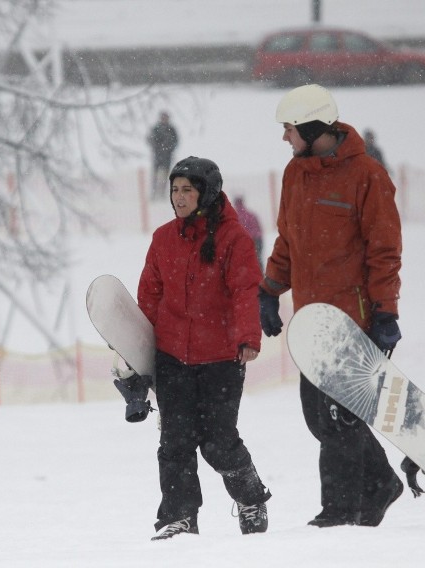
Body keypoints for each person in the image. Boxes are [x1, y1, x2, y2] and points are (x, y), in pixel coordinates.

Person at [258, 84, 404, 528]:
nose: (285, 138)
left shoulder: (367, 176)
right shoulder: (294, 173)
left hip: (352, 320)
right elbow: (289, 240)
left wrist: (386, 312)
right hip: (310, 322)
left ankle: (339, 510)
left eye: (288, 129)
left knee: (339, 418)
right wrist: (270, 289)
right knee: (319, 418)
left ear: (310, 127)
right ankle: (380, 482)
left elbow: (385, 251)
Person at [138, 156, 272, 540]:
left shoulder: (233, 238)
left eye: (188, 190)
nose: (179, 198)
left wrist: (248, 335)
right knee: (175, 442)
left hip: (221, 358)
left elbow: (246, 289)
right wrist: (135, 356)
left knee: (217, 440)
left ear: (206, 192)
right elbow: (149, 295)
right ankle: (179, 517)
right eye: (175, 190)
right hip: (172, 357)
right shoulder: (163, 238)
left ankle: (250, 498)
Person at [146, 111, 179, 200]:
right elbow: (150, 139)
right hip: (157, 156)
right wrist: (157, 147)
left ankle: (162, 193)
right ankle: (154, 193)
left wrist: (169, 149)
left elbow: (175, 141)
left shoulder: (171, 129)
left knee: (165, 175)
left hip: (167, 156)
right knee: (155, 175)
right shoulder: (156, 128)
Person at [232, 195, 264, 269]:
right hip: (257, 240)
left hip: (244, 241)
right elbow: (259, 228)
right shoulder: (251, 214)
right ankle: (261, 276)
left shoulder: (234, 216)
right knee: (258, 260)